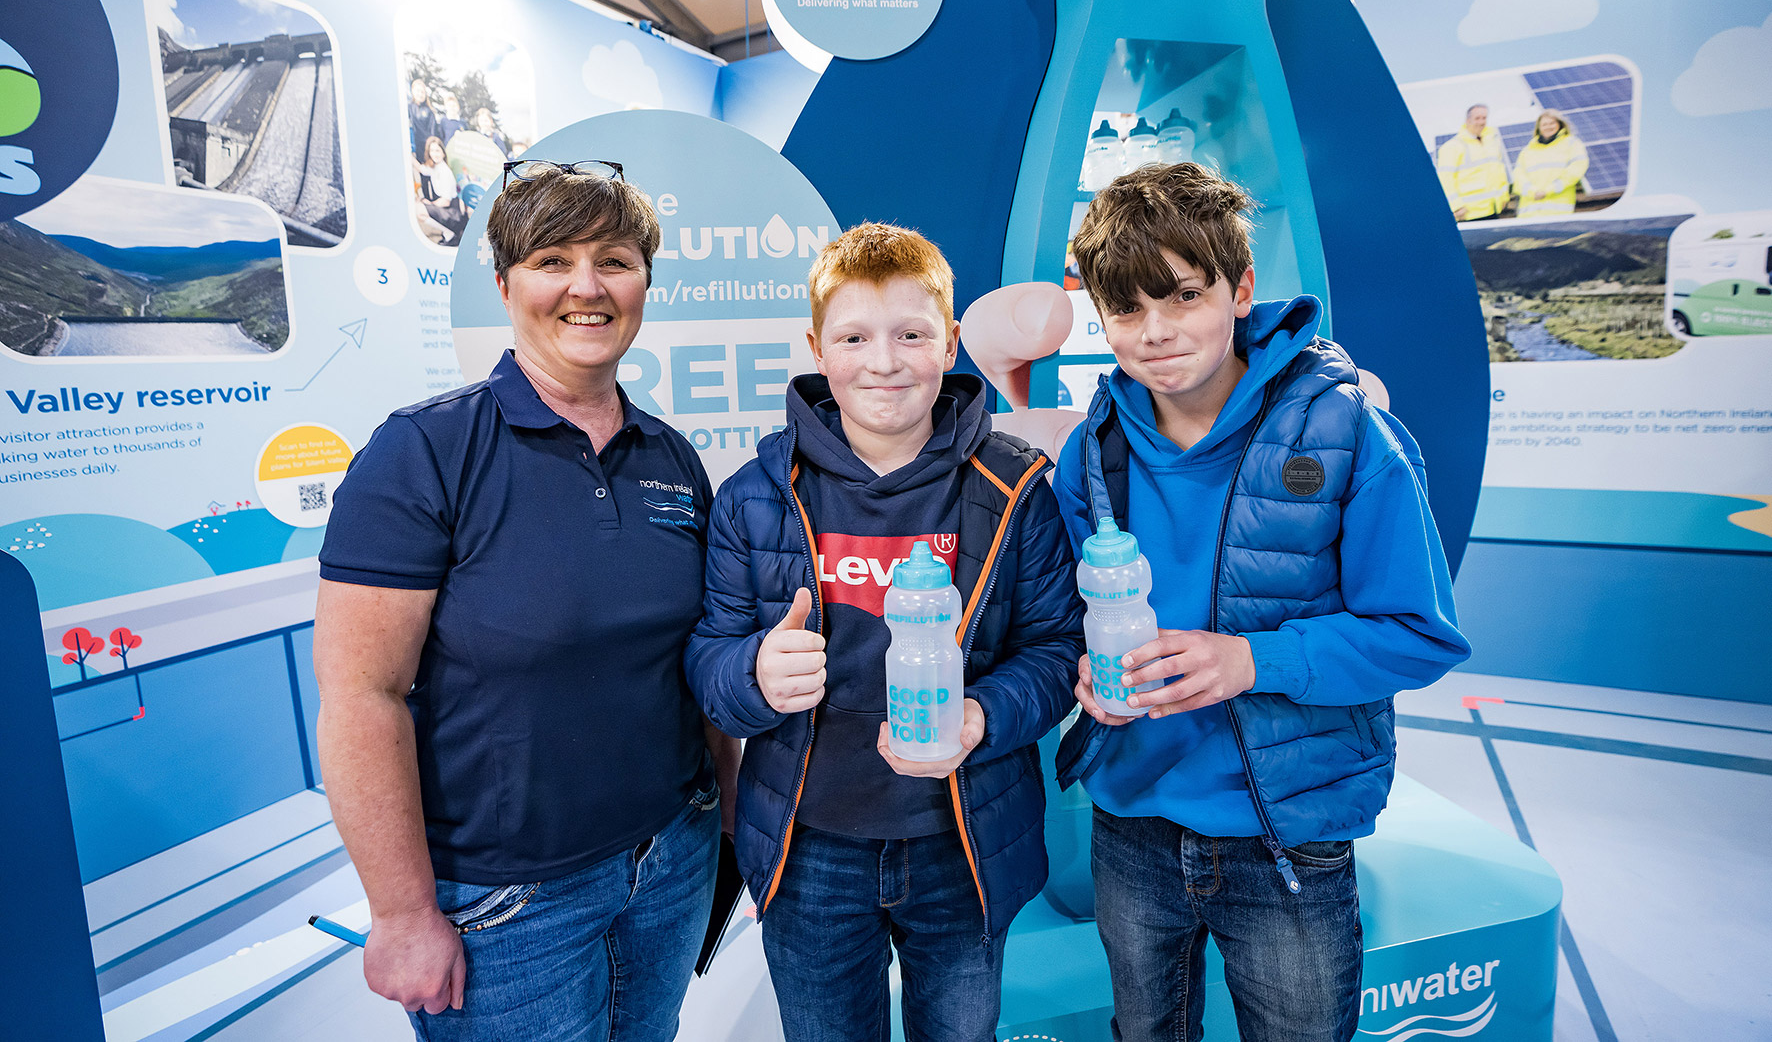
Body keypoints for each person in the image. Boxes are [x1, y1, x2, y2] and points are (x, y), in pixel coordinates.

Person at [314, 163, 737, 1041]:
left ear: (643, 284)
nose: (587, 286)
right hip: (506, 906)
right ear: (506, 285)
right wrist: (399, 913)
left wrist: (734, 819)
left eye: (614, 260)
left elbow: (692, 666)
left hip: (671, 862)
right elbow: (362, 696)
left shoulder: (671, 457)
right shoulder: (422, 453)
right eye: (553, 259)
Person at [1052, 162, 1471, 1042]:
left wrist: (1252, 659)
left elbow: (1419, 633)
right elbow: (1062, 626)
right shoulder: (1089, 453)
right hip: (1130, 826)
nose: (1155, 332)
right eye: (1125, 309)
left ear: (1240, 289)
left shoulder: (1348, 428)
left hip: (1287, 839)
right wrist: (1078, 676)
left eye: (1183, 296)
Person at [685, 223, 1083, 1042]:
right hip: (810, 852)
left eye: (911, 334)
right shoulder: (754, 496)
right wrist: (754, 674)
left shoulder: (1014, 486)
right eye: (856, 336)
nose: (885, 361)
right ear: (816, 348)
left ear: (950, 343)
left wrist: (982, 716)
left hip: (962, 848)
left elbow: (1055, 648)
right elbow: (709, 660)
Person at [1435, 103, 1511, 221]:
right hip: (1468, 214)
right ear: (1468, 120)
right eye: (1477, 118)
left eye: (1484, 118)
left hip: (1493, 210)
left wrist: (1503, 197)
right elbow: (1445, 179)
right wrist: (1456, 206)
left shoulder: (1491, 144)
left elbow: (1499, 173)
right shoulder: (1452, 146)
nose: (1481, 122)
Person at [1512, 110, 1588, 216]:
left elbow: (1576, 170)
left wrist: (1548, 190)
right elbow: (1518, 176)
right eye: (1544, 124)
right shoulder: (1527, 150)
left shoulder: (1572, 143)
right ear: (1539, 127)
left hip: (1558, 213)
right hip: (1528, 214)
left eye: (1552, 123)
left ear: (1559, 124)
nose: (1548, 127)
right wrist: (1533, 192)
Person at [415, 135, 467, 242]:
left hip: (453, 214)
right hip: (447, 210)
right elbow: (421, 169)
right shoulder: (435, 167)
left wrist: (429, 203)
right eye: (432, 150)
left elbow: (446, 202)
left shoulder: (445, 171)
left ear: (443, 153)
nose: (435, 154)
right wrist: (408, 154)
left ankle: (452, 233)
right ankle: (448, 233)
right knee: (418, 205)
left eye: (437, 150)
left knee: (419, 210)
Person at [407, 77, 441, 161]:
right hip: (413, 146)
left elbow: (432, 132)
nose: (420, 94)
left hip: (425, 147)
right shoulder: (408, 107)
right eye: (418, 91)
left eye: (422, 92)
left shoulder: (429, 111)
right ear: (413, 91)